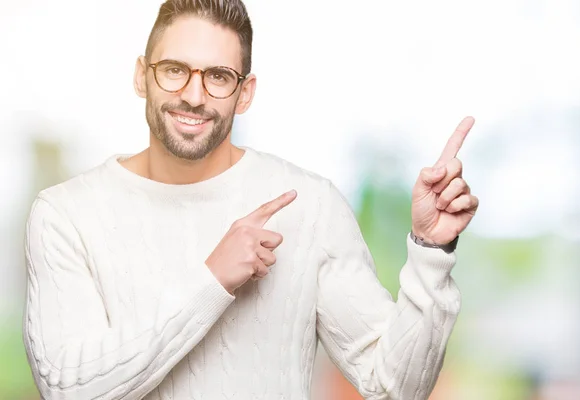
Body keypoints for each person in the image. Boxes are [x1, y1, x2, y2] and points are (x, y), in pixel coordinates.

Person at [22, 0, 479, 399]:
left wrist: (430, 253)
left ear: (245, 94)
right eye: (174, 70)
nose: (193, 96)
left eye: (219, 77)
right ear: (143, 76)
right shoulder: (66, 215)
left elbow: (396, 387)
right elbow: (67, 388)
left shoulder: (310, 208)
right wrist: (212, 281)